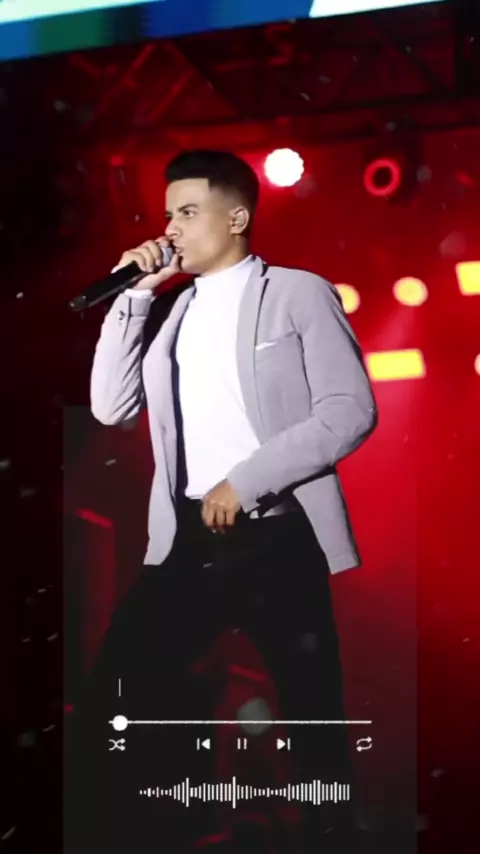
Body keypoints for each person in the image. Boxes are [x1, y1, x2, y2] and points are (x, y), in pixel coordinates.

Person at [67, 150, 377, 854]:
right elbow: (111, 406)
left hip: (278, 537)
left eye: (187, 212)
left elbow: (349, 409)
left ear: (236, 218)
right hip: (189, 542)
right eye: (166, 214)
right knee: (113, 700)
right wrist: (135, 296)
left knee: (313, 721)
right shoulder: (171, 310)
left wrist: (248, 479)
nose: (170, 229)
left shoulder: (297, 293)